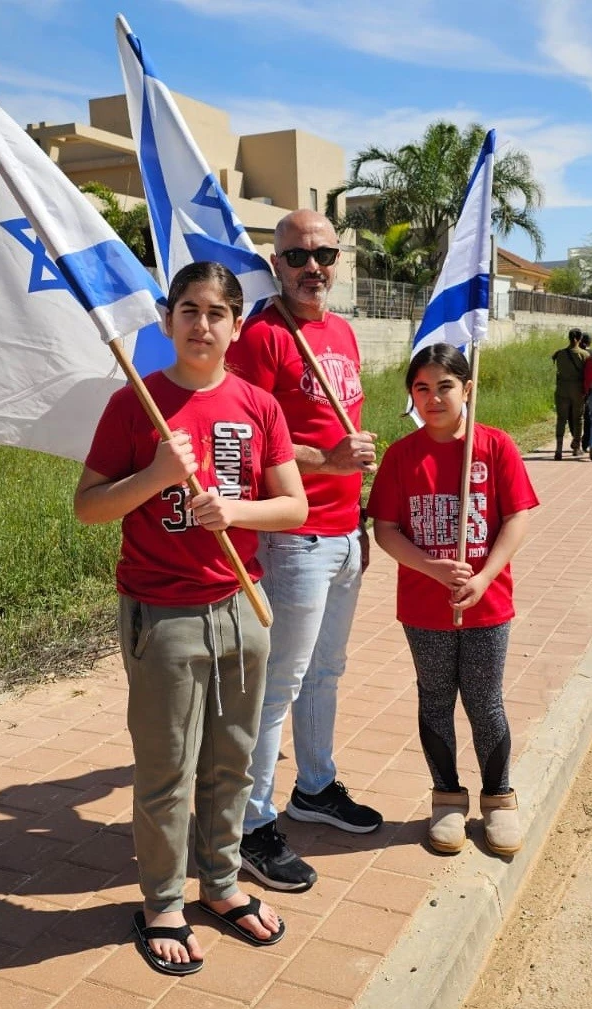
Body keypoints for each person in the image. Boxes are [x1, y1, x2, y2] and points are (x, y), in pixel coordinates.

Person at [74, 262, 308, 974]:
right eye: (188, 310)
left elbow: (294, 506)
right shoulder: (135, 404)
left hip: (241, 606)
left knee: (232, 757)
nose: (201, 324)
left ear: (238, 325)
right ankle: (164, 900)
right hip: (163, 613)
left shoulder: (259, 404)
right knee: (167, 766)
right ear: (168, 319)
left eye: (216, 312)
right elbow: (89, 505)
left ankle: (224, 881)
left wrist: (234, 510)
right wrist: (155, 477)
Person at [226, 209, 382, 892]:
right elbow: (249, 447)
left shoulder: (341, 330)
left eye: (324, 253)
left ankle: (314, 787)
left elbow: (345, 435)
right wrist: (330, 459)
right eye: (297, 256)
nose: (312, 266)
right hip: (292, 537)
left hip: (345, 532)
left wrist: (364, 520)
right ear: (275, 263)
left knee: (327, 673)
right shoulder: (261, 336)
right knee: (276, 686)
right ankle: (250, 825)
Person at [367, 343, 538, 856]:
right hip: (424, 608)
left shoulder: (495, 446)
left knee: (485, 702)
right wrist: (431, 568)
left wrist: (484, 577)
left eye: (444, 386)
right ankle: (446, 800)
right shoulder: (402, 455)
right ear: (411, 396)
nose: (434, 397)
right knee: (435, 699)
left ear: (467, 388)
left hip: (488, 605)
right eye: (422, 388)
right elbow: (387, 530)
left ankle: (499, 799)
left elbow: (517, 518)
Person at [551, 327, 588, 459]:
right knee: (577, 418)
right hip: (577, 390)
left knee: (561, 418)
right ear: (580, 339)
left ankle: (558, 449)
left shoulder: (560, 354)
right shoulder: (584, 355)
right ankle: (576, 446)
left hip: (562, 389)